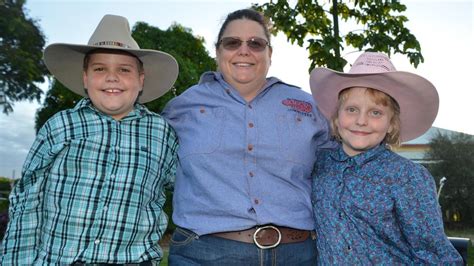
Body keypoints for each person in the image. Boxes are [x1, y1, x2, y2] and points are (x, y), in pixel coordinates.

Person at [1, 14, 179, 265]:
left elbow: (188, 186)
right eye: (99, 68)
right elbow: (28, 198)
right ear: (86, 78)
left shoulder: (162, 134)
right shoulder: (60, 126)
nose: (112, 77)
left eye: (124, 69)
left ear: (141, 80)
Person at [162, 8, 334, 265]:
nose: (244, 50)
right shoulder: (181, 108)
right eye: (232, 43)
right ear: (218, 51)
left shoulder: (310, 107)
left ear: (270, 54)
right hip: (205, 255)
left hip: (297, 256)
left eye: (256, 43)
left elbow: (337, 172)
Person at [309, 51, 463, 264]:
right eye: (352, 109)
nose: (361, 121)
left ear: (391, 123)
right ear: (336, 118)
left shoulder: (407, 176)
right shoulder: (319, 165)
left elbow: (435, 254)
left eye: (376, 113)